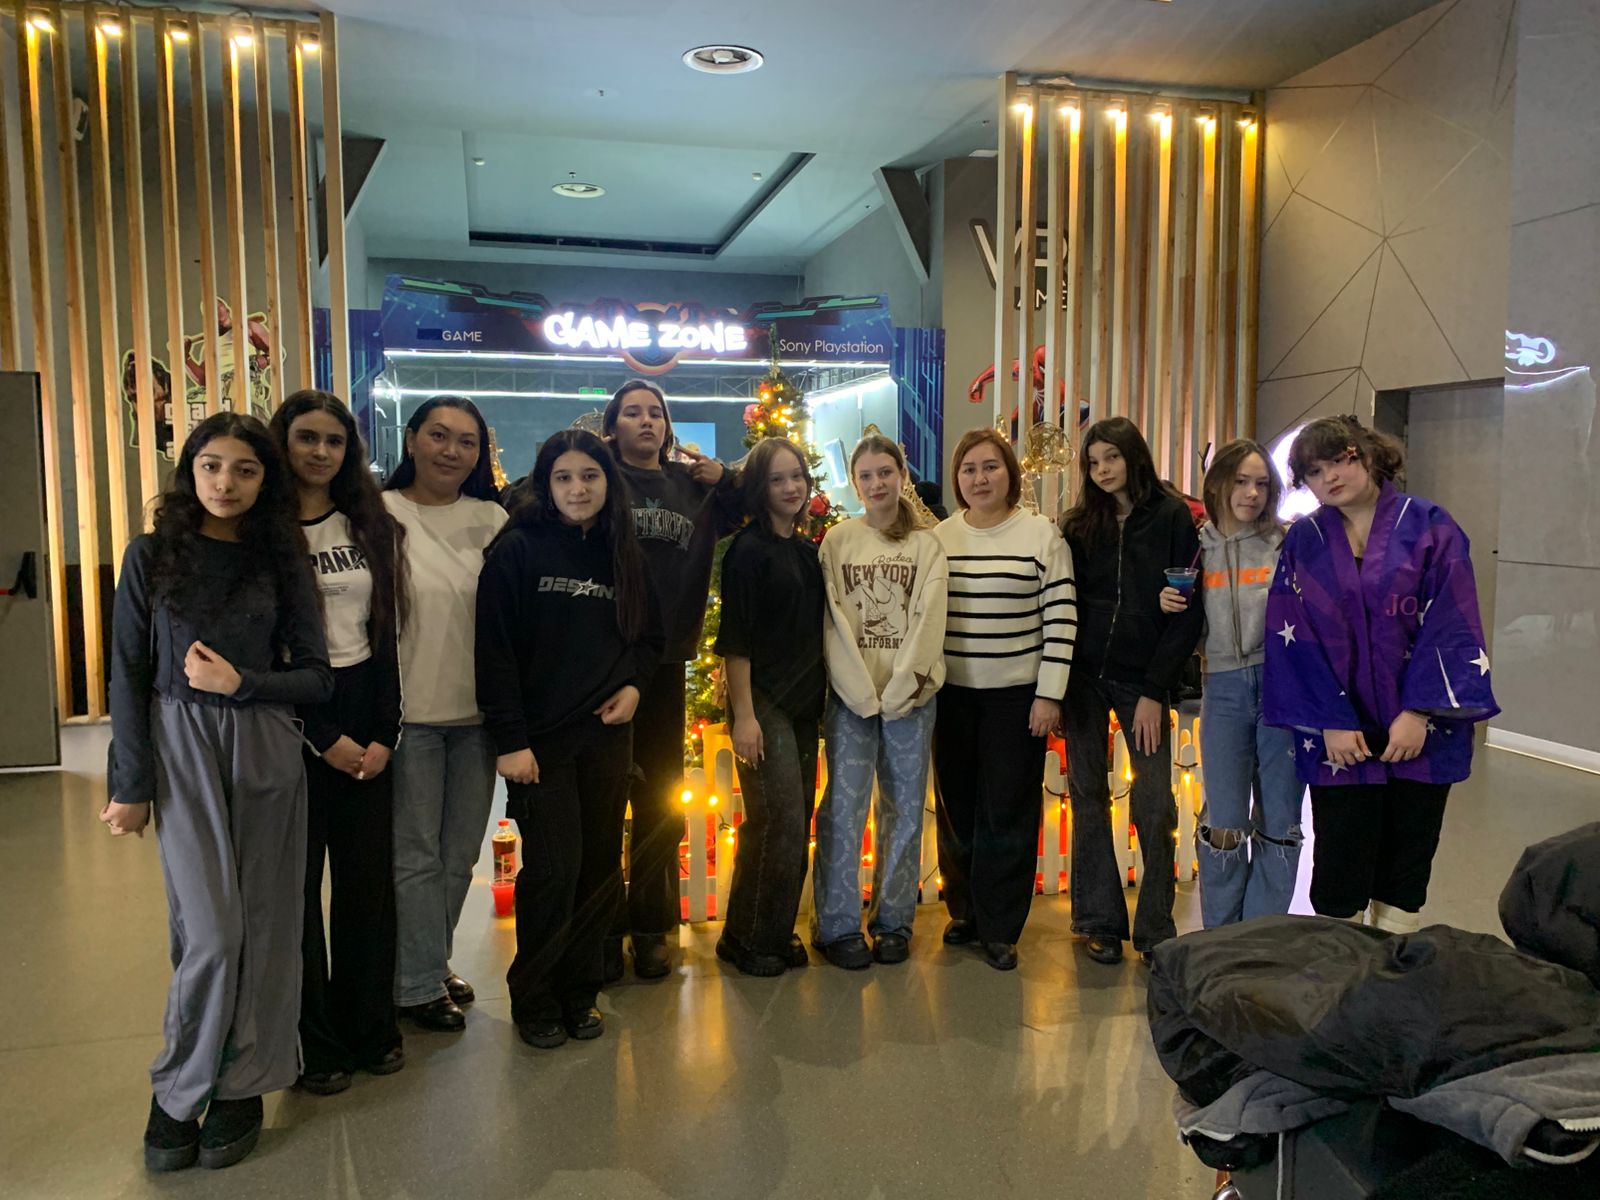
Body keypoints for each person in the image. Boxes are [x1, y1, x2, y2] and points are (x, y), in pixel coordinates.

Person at [103, 412, 332, 1172]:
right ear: (190, 470)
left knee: (266, 927)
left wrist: (244, 683)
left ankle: (245, 1081)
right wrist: (130, 783)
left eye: (245, 469)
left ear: (266, 480)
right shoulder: (151, 555)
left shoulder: (282, 559)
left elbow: (317, 677)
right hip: (180, 744)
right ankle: (179, 1088)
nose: (225, 483)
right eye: (211, 466)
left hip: (264, 743)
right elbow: (128, 674)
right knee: (210, 932)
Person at [1264, 415, 1498, 933]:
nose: (1329, 477)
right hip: (1338, 732)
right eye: (1314, 471)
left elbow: (1453, 622)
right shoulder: (1305, 540)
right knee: (1340, 863)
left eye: (1339, 460)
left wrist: (1419, 712)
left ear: (1368, 454)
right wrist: (1328, 720)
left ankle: (1392, 969)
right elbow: (1291, 632)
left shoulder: (1432, 527)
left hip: (1420, 728)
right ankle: (1344, 972)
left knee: (1406, 864)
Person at [475, 430, 662, 1049]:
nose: (578, 488)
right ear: (546, 484)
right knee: (554, 872)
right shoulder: (518, 550)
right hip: (540, 746)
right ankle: (535, 997)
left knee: (599, 869)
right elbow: (494, 652)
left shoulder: (623, 553)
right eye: (564, 477)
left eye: (590, 476)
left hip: (607, 740)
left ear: (609, 482)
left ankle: (581, 992)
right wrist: (510, 741)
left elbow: (650, 639)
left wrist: (634, 686)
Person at [268, 391, 407, 1094]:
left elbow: (385, 635)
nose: (320, 452)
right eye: (307, 437)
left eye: (334, 440)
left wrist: (383, 732)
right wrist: (322, 738)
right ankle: (313, 1044)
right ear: (282, 442)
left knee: (366, 888)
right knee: (297, 893)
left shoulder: (368, 525)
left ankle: (369, 1026)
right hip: (291, 716)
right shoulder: (260, 530)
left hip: (364, 708)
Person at [601, 379, 741, 979]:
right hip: (603, 662)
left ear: (667, 426)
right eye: (632, 412)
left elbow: (763, 497)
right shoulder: (600, 480)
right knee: (603, 800)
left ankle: (650, 925)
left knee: (659, 799)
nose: (646, 421)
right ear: (613, 427)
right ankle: (603, 928)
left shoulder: (691, 487)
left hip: (664, 665)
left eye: (655, 412)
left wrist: (724, 477)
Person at [382, 396, 507, 1031]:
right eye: (438, 435)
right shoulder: (378, 515)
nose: (451, 451)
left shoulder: (492, 519)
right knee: (415, 857)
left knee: (459, 856)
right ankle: (413, 983)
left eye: (466, 441)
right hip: (408, 716)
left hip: (477, 716)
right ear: (411, 440)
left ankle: (429, 961)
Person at [1059, 417, 1203, 966]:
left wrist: (1153, 689)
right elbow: (1066, 602)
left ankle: (1156, 926)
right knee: (1088, 796)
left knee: (1154, 803)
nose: (1102, 470)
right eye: (1093, 462)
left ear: (1133, 456)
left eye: (1112, 458)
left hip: (1142, 679)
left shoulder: (1171, 517)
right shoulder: (1080, 525)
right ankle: (1098, 919)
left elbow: (1186, 612)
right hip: (1082, 678)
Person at [932, 429, 1076, 970]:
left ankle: (999, 925)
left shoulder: (1041, 535)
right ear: (957, 479)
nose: (980, 478)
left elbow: (1061, 617)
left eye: (990, 466)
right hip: (952, 695)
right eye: (968, 469)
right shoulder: (941, 538)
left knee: (1008, 811)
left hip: (1017, 698)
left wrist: (1049, 694)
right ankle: (964, 912)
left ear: (1010, 473)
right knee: (957, 809)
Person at [813, 434, 949, 969]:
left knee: (905, 812)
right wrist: (859, 691)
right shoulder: (837, 542)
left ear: (902, 475)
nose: (877, 484)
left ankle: (894, 922)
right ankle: (837, 925)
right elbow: (833, 623)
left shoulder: (926, 545)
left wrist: (901, 690)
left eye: (885, 472)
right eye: (866, 475)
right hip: (851, 699)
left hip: (910, 699)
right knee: (843, 812)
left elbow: (929, 620)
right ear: (855, 482)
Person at [1158, 439, 1301, 928]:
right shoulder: (1195, 549)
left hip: (1283, 690)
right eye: (1241, 481)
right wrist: (1168, 607)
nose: (1252, 493)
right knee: (1224, 821)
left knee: (1281, 819)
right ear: (1218, 483)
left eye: (1261, 483)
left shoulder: (1286, 543)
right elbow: (1186, 628)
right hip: (1221, 688)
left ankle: (1259, 937)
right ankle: (1220, 938)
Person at [714, 438, 827, 977]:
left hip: (803, 704)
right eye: (778, 479)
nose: (790, 487)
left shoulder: (806, 551)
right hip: (762, 701)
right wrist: (744, 716)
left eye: (797, 476)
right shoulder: (747, 551)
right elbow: (734, 642)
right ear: (760, 488)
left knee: (791, 820)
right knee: (777, 820)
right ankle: (755, 938)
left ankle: (764, 931)